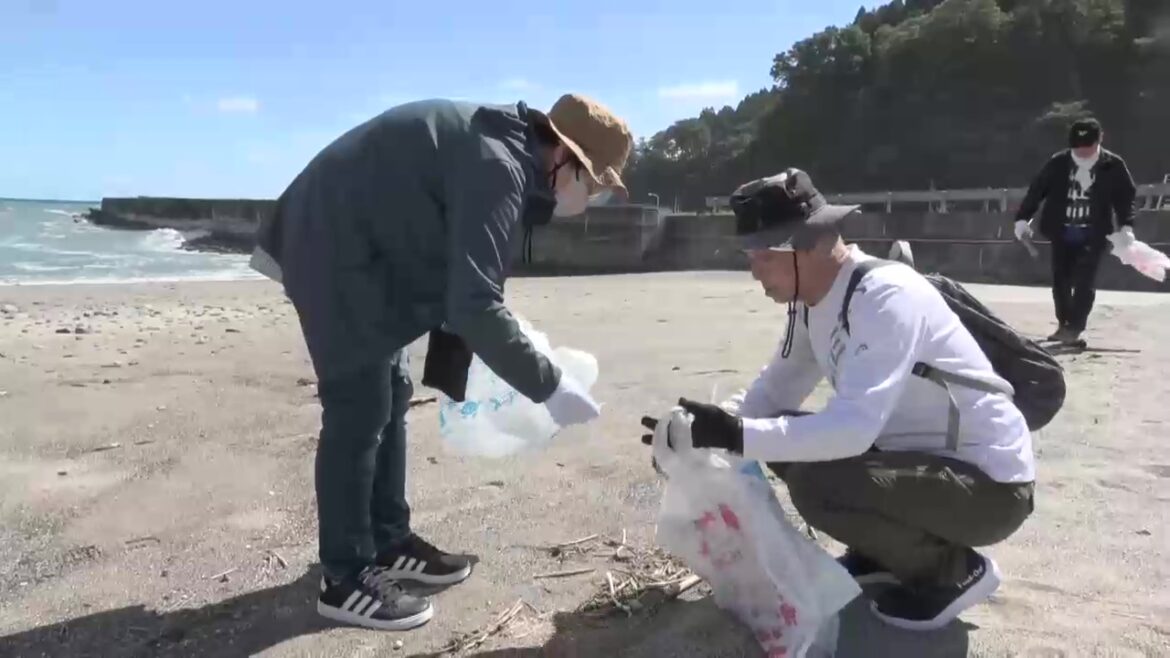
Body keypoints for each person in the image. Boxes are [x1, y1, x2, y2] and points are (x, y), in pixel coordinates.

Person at [250, 94, 632, 630]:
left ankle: (388, 539)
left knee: (392, 392)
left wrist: (458, 363)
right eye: (591, 183)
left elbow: (473, 278)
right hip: (329, 242)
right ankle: (343, 576)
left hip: (367, 249)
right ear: (564, 155)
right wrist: (550, 385)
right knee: (359, 407)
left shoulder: (509, 153)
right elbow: (474, 305)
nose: (588, 198)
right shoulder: (499, 164)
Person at [647, 168, 1036, 632]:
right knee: (784, 439)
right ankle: (882, 551)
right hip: (921, 466)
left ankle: (951, 573)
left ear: (805, 245)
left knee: (816, 483)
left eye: (762, 256)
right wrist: (700, 433)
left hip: (990, 490)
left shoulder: (885, 296)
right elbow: (775, 391)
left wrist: (735, 434)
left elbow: (853, 429)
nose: (753, 271)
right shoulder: (813, 302)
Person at [1014, 117, 1138, 345]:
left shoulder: (1113, 165)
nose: (1081, 152)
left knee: (1085, 281)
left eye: (1087, 148)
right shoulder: (1058, 163)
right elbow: (1037, 190)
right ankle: (1064, 324)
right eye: (1077, 148)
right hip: (1061, 231)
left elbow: (1125, 197)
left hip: (1094, 232)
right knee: (1060, 280)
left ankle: (1075, 327)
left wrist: (1126, 225)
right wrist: (1023, 219)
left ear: (1099, 140)